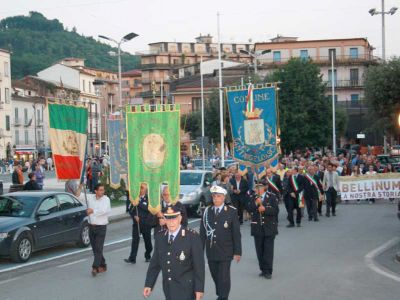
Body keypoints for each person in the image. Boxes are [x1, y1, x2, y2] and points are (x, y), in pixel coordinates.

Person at [143, 206, 205, 300]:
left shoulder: (192, 237)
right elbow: (155, 263)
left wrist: (199, 289)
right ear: (164, 220)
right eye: (168, 218)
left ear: (180, 218)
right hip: (168, 288)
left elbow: (199, 266)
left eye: (174, 218)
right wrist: (149, 284)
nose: (171, 222)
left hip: (187, 289)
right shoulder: (160, 237)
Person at [200, 185, 241, 300]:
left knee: (223, 277)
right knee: (215, 276)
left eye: (218, 196)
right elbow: (203, 233)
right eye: (214, 196)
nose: (215, 198)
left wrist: (238, 252)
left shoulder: (231, 212)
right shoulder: (207, 212)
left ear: (224, 197)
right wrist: (198, 251)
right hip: (211, 250)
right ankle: (221, 293)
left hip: (226, 251)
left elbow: (236, 234)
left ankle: (223, 297)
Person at [247, 183, 279, 279]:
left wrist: (265, 209)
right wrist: (256, 203)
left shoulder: (272, 197)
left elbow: (276, 211)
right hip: (257, 227)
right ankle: (263, 269)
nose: (258, 189)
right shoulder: (253, 197)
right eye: (256, 187)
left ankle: (268, 271)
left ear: (265, 188)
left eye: (260, 187)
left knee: (268, 251)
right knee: (259, 250)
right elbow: (248, 208)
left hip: (269, 227)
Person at [86, 184, 111, 276]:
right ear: (96, 191)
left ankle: (95, 267)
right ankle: (103, 264)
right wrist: (80, 187)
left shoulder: (106, 199)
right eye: (100, 190)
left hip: (101, 227)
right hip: (91, 226)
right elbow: (78, 196)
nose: (102, 192)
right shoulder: (90, 198)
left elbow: (105, 210)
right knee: (95, 248)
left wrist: (92, 211)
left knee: (99, 248)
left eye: (103, 190)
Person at [125, 183, 153, 264]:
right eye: (139, 188)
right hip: (136, 223)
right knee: (135, 241)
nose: (140, 190)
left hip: (146, 223)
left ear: (146, 189)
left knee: (148, 242)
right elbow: (130, 209)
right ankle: (132, 258)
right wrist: (134, 216)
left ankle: (148, 255)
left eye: (142, 188)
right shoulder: (134, 198)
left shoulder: (149, 198)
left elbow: (149, 209)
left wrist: (138, 203)